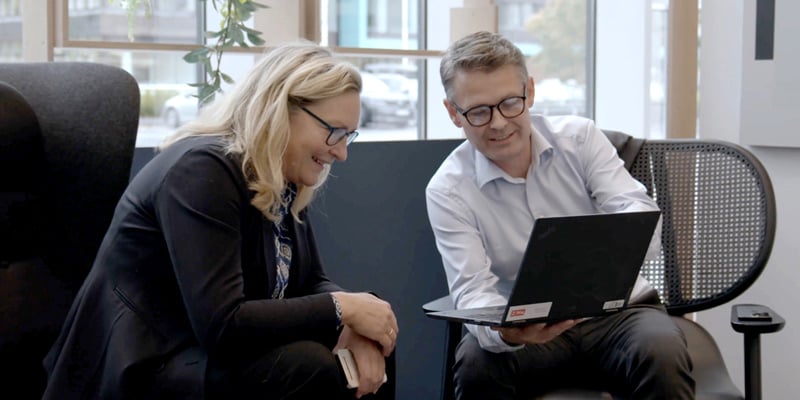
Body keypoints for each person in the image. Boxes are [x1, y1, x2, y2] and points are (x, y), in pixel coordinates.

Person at [42, 41, 398, 400]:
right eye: (334, 132)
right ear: (281, 109)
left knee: (375, 337)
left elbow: (310, 282)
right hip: (146, 366)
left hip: (199, 355)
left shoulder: (281, 174)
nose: (342, 152)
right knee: (305, 365)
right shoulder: (201, 171)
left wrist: (358, 321)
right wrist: (343, 309)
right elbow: (222, 324)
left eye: (348, 135)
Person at [425, 31, 694, 399]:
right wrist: (506, 333)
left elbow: (640, 218)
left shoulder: (580, 139)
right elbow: (472, 291)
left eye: (510, 103)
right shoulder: (447, 190)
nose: (499, 123)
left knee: (661, 350)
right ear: (454, 113)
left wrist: (611, 249)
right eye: (479, 111)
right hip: (528, 330)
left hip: (618, 315)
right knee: (476, 364)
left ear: (530, 92)